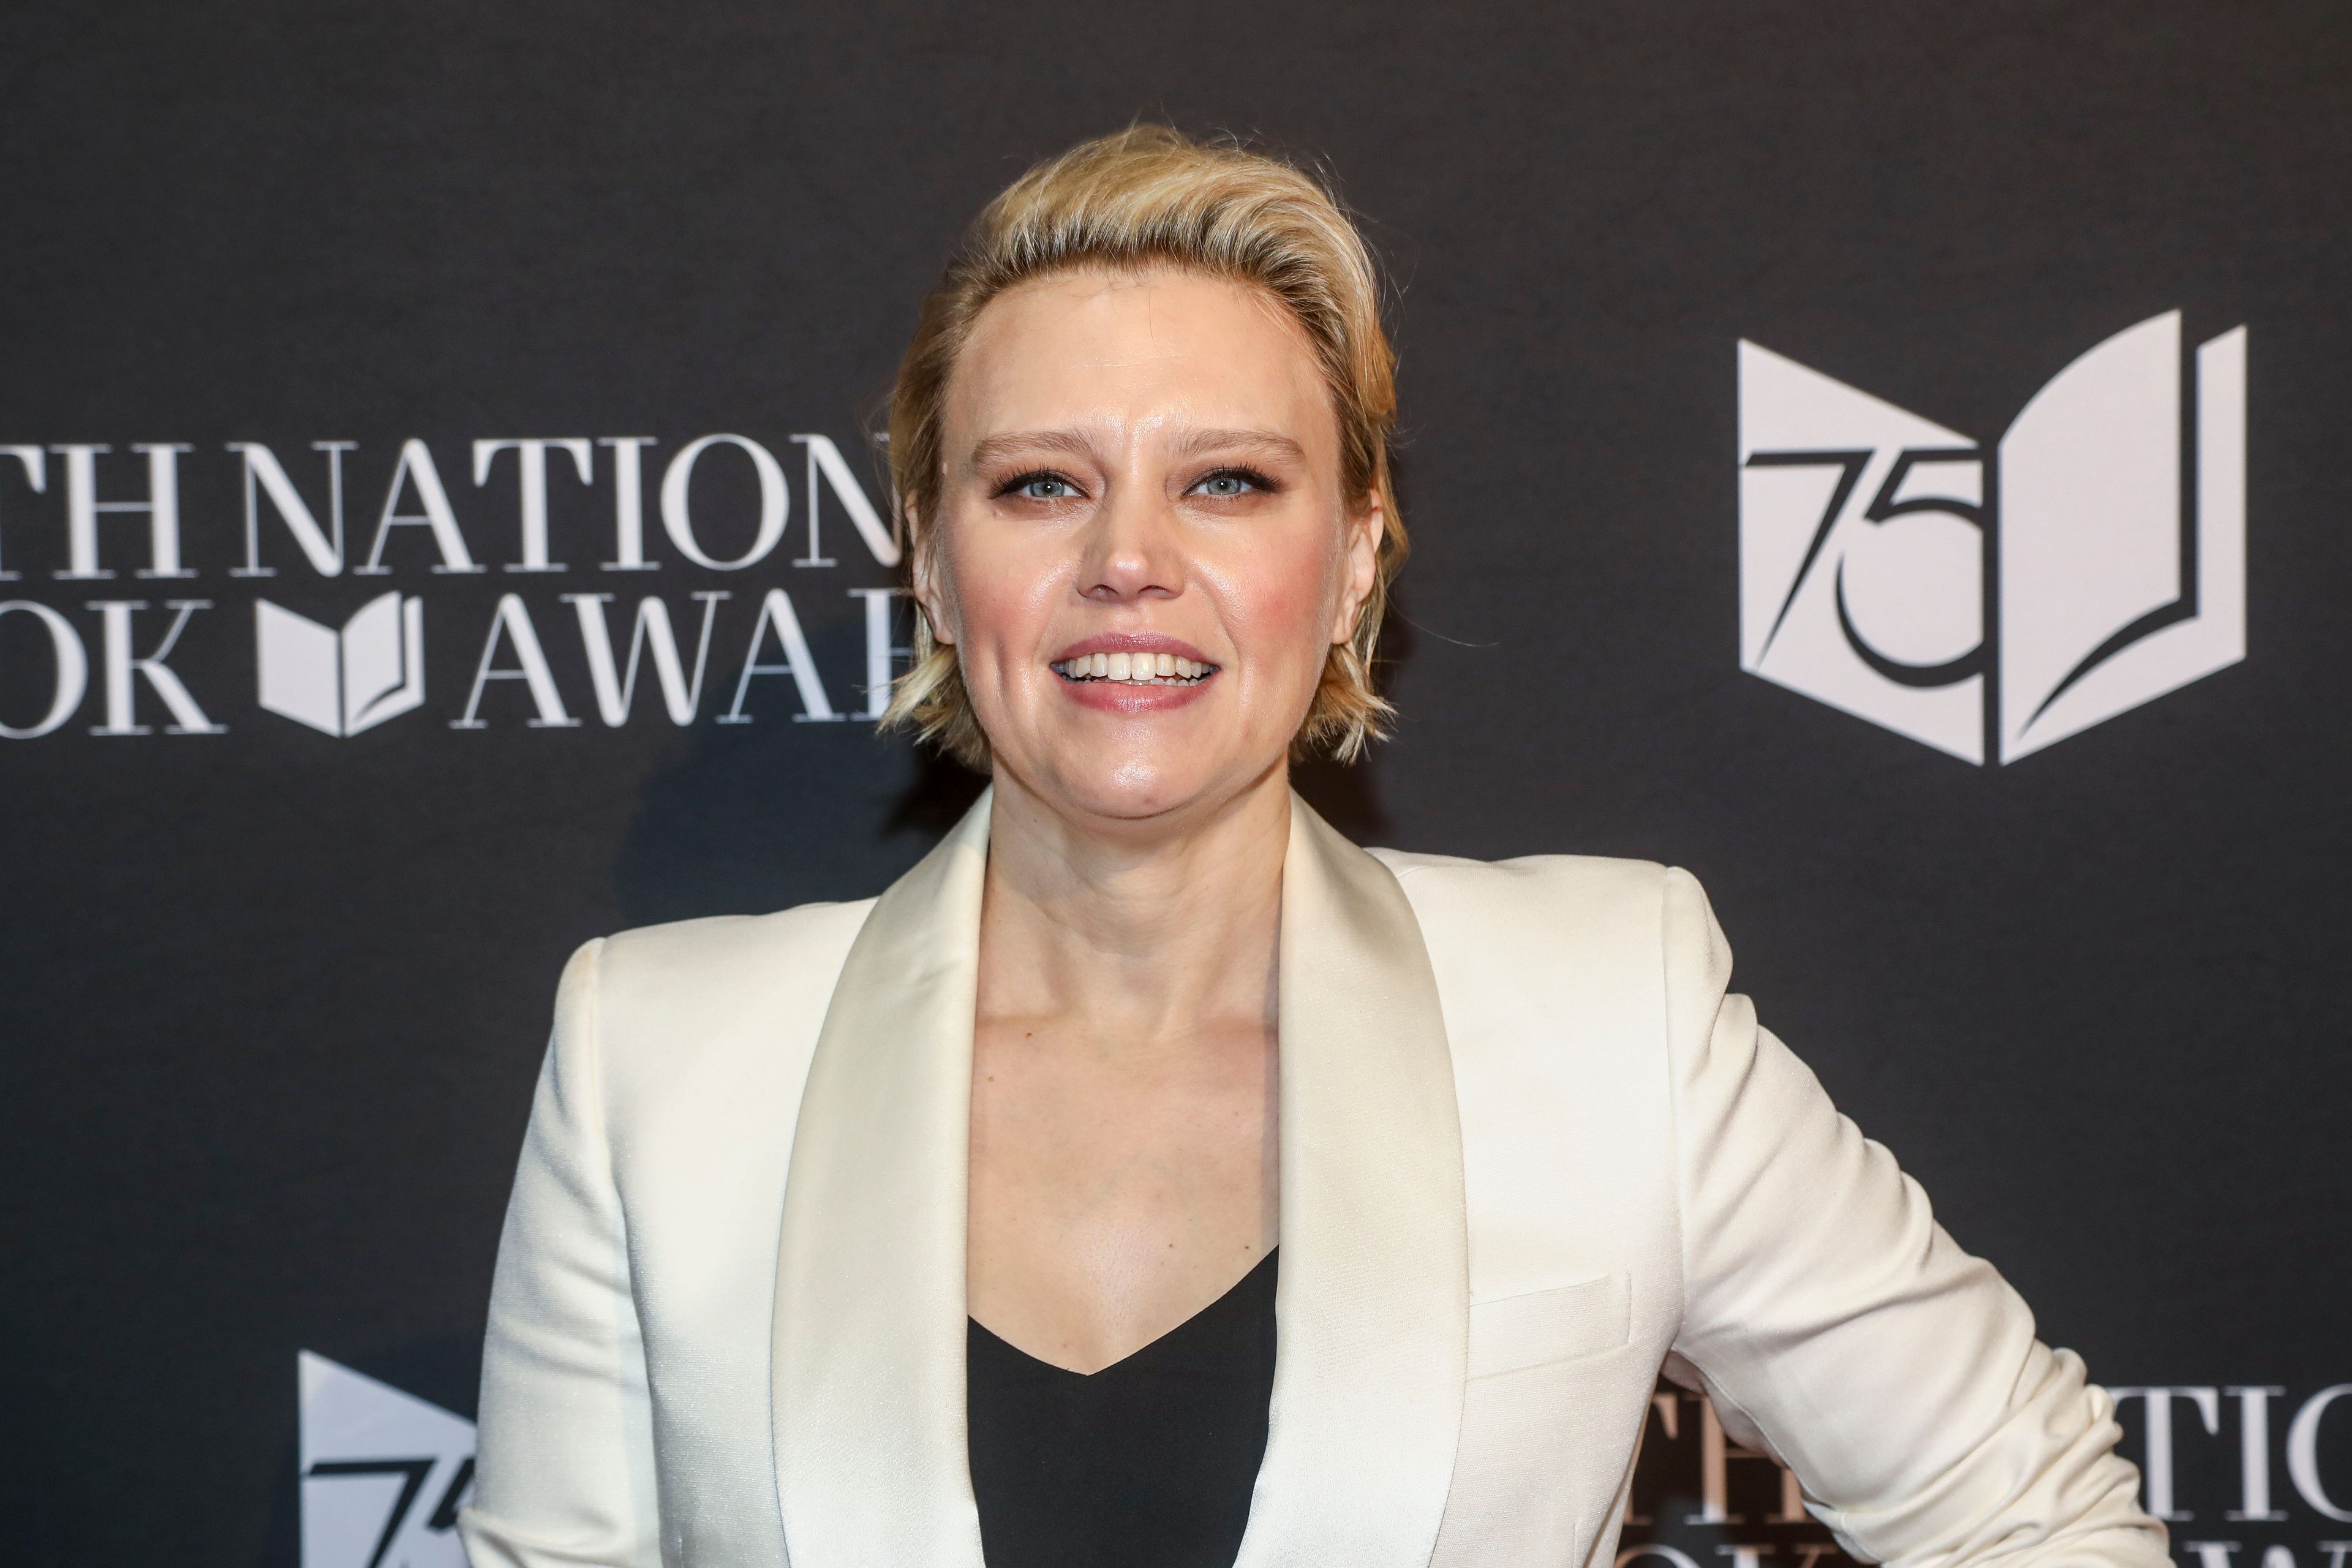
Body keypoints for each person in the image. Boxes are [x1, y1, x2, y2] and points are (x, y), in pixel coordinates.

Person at [459, 127, 2165, 1568]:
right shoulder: (660, 1063)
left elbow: (2029, 1509)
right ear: (928, 553)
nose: (1131, 559)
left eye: (1229, 483)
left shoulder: (1605, 1011)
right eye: (1042, 484)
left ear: (1356, 558)